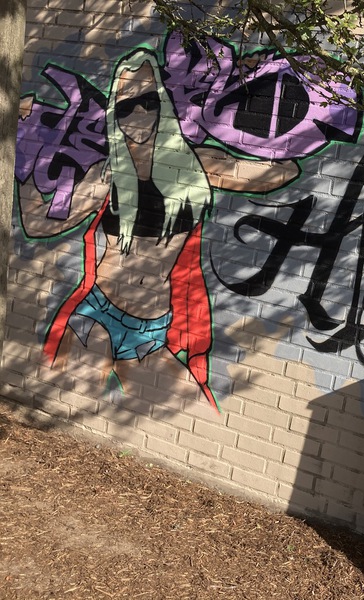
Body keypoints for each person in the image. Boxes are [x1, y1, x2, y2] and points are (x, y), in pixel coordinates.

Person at [17, 48, 300, 411]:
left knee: (198, 408)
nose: (138, 114)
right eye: (126, 107)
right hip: (98, 313)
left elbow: (279, 174)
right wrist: (23, 162)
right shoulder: (108, 173)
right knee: (64, 404)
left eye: (148, 102)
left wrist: (261, 90)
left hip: (152, 326)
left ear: (161, 104)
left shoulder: (196, 164)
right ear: (114, 113)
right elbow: (39, 225)